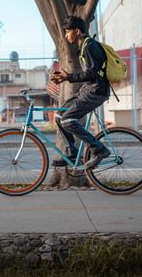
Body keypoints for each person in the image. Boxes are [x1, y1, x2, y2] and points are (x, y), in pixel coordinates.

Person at [51, 15, 111, 169]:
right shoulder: (85, 46)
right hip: (88, 90)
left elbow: (91, 74)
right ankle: (71, 151)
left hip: (97, 91)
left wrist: (68, 77)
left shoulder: (89, 46)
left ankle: (99, 149)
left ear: (77, 31)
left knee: (67, 120)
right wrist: (66, 78)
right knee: (59, 116)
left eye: (67, 32)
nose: (66, 35)